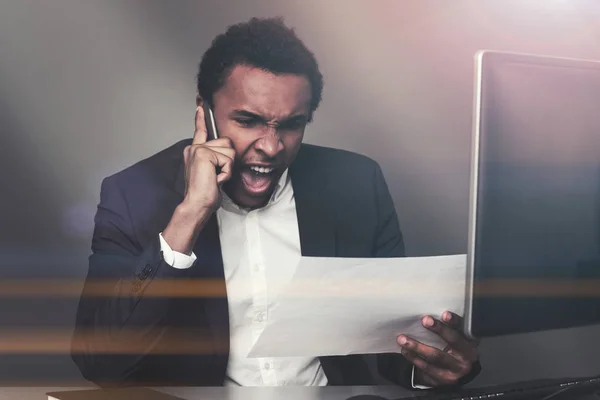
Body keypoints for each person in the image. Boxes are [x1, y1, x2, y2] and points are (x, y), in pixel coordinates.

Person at [71, 16, 480, 389]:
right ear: (205, 113)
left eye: (291, 125)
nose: (270, 146)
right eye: (247, 121)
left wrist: (432, 366)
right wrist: (191, 213)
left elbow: (392, 344)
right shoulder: (133, 195)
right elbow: (101, 362)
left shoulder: (356, 185)